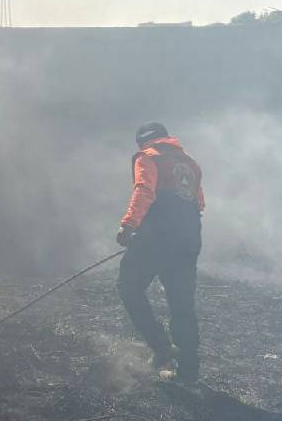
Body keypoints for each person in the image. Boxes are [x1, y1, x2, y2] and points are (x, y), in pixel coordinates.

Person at [115, 122, 204, 382]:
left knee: (128, 286)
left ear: (143, 141)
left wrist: (129, 225)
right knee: (182, 304)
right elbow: (199, 203)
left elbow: (144, 190)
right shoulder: (190, 163)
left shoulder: (148, 157)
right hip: (188, 241)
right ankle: (188, 368)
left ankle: (162, 349)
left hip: (155, 240)